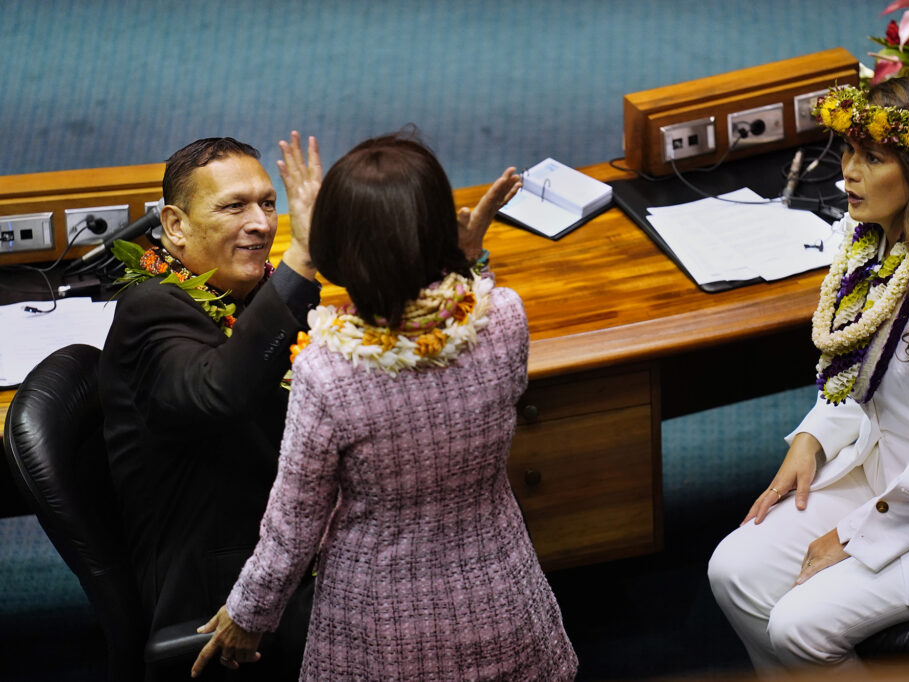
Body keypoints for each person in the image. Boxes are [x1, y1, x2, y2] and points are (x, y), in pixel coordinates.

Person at [189, 133, 579, 680]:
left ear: (336, 256)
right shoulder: (505, 318)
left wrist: (249, 613)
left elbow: (295, 524)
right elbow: (472, 320)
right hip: (505, 606)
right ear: (440, 234)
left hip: (382, 632)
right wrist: (467, 262)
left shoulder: (328, 371)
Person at [708, 76, 909, 672]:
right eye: (848, 152)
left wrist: (850, 536)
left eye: (871, 158)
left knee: (799, 627)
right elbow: (860, 370)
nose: (847, 172)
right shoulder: (874, 242)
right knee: (733, 571)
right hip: (886, 470)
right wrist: (812, 435)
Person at [100, 133, 324, 679]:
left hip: (279, 539)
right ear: (174, 225)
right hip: (218, 586)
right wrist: (301, 258)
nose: (262, 223)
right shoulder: (153, 308)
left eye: (269, 203)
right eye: (234, 206)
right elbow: (217, 393)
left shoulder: (248, 295)